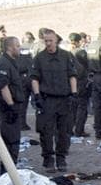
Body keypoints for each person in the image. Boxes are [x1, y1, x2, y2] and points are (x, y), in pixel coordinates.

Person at [31, 28, 77, 171]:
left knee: (64, 131)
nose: (48, 43)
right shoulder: (39, 58)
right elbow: (34, 78)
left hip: (64, 99)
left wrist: (74, 93)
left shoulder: (66, 56)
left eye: (51, 41)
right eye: (46, 41)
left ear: (56, 40)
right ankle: (48, 159)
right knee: (46, 131)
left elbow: (72, 75)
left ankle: (61, 158)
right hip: (47, 99)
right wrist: (37, 95)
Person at [0, 36, 27, 175]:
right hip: (8, 109)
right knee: (11, 142)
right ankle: (7, 173)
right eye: (18, 46)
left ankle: (10, 170)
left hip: (13, 106)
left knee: (14, 141)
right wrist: (11, 105)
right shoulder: (4, 64)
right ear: (10, 47)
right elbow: (3, 86)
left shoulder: (11, 62)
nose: (19, 48)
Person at [69, 33, 92, 137]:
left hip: (71, 82)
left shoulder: (67, 53)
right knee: (82, 107)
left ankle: (70, 129)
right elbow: (88, 66)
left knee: (73, 107)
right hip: (82, 82)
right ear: (79, 41)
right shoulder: (81, 52)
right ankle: (79, 130)